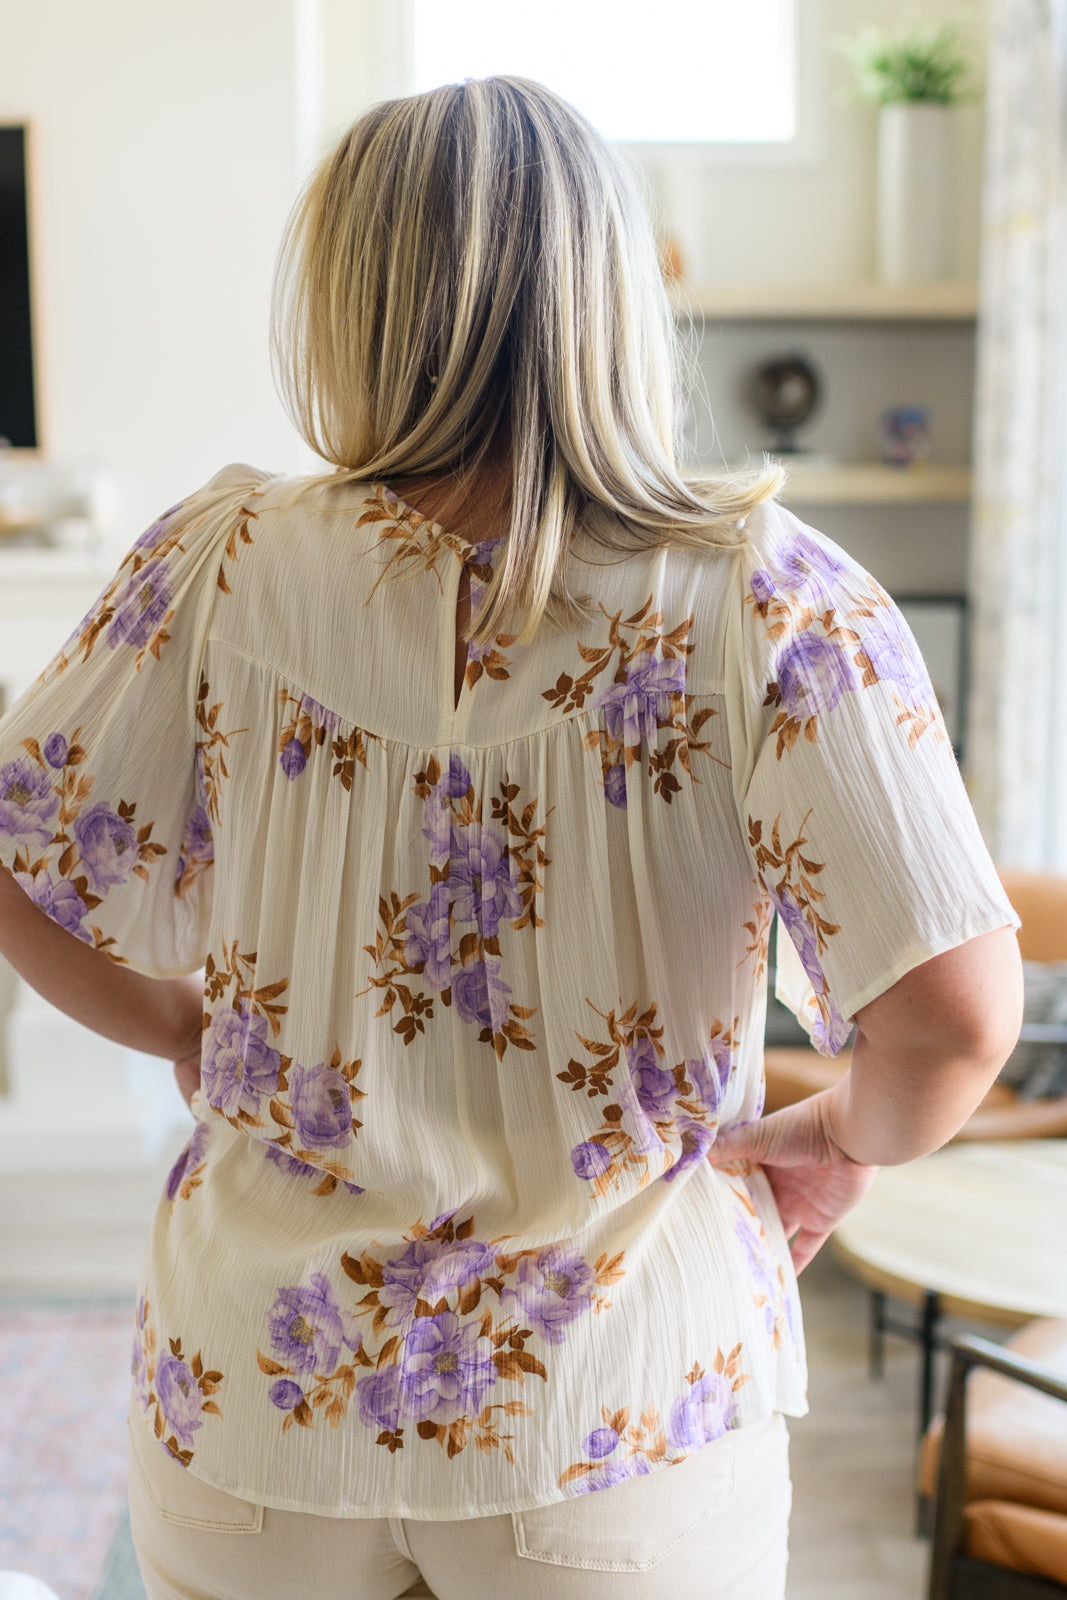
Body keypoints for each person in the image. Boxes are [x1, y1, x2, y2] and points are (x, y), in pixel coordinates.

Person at [0, 76, 1022, 1600]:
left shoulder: (219, 562)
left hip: (257, 1414)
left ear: (349, 300)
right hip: (614, 1420)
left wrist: (175, 1028)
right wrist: (838, 1140)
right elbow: (950, 1022)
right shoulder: (771, 598)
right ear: (613, 295)